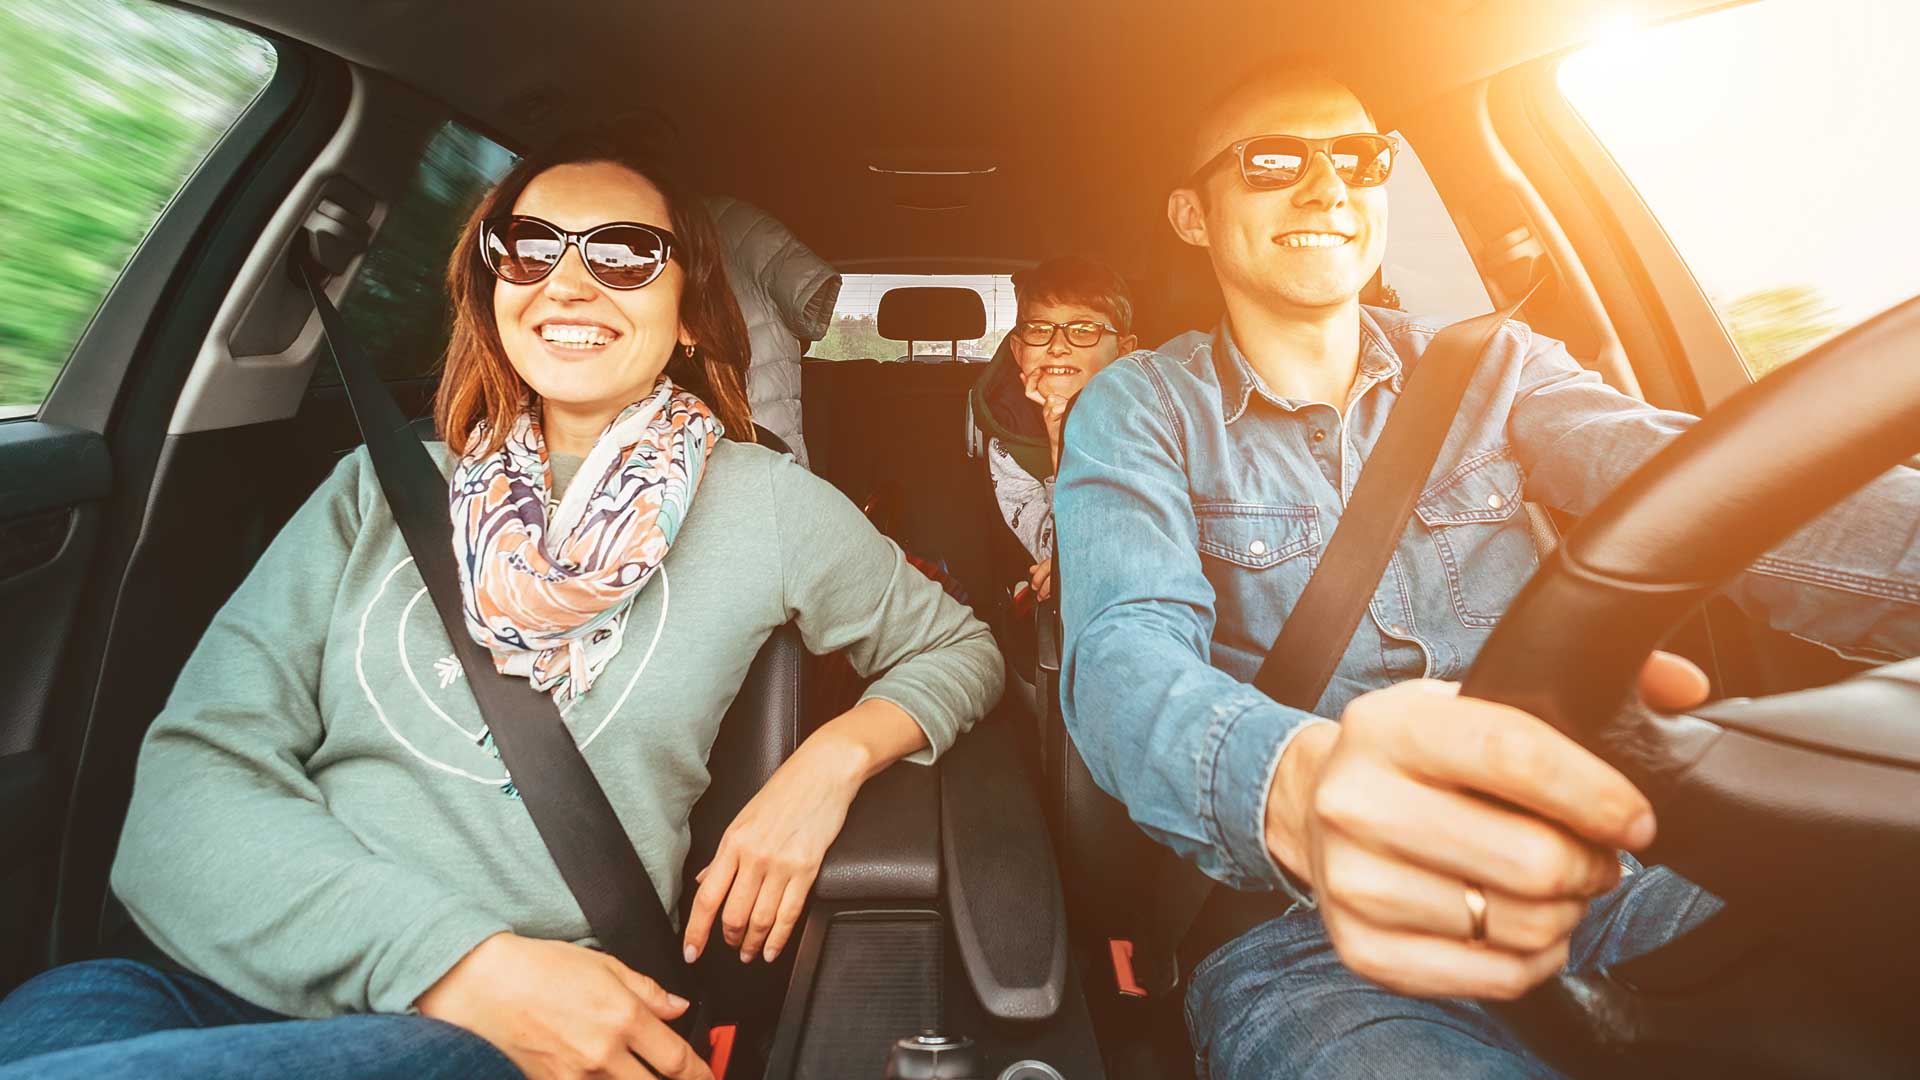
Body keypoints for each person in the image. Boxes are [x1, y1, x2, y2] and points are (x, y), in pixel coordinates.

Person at [0, 129, 1003, 1080]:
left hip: (520, 1032)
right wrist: (454, 961)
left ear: (694, 310)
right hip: (213, 985)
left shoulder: (771, 506)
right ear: (495, 289)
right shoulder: (377, 489)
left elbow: (958, 649)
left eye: (624, 253)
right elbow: (188, 794)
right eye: (528, 248)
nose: (568, 279)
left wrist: (826, 766)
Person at [1053, 64, 1920, 1076]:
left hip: (1596, 874)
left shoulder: (1498, 366)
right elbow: (1123, 653)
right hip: (1307, 935)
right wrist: (1302, 787)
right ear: (1192, 216)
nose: (1328, 188)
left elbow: (1701, 484)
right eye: (1274, 161)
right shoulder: (1141, 406)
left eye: (1360, 159)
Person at [971, 256, 1137, 603]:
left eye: (1083, 331)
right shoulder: (1009, 442)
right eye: (1038, 330)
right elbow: (1056, 551)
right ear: (1018, 350)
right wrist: (1061, 442)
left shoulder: (1152, 423)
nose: (1058, 346)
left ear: (1123, 351)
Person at [704, 194, 841, 469]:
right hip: (764, 416)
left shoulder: (733, 225)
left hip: (757, 418)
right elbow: (810, 318)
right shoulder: (737, 225)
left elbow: (811, 315)